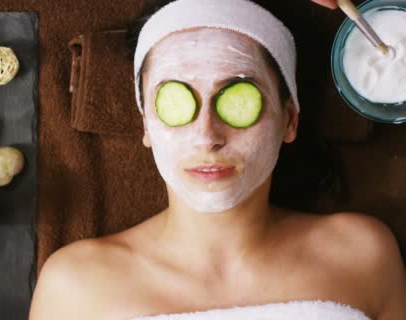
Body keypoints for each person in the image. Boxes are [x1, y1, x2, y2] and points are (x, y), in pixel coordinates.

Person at [30, 0, 406, 319]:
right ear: (146, 124)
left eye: (238, 100)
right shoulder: (74, 287)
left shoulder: (362, 255)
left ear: (290, 119)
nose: (208, 136)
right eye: (176, 103)